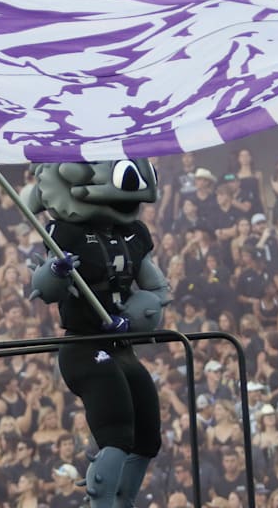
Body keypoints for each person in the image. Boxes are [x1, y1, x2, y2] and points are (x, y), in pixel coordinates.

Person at [27, 160, 171, 508]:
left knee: (147, 435)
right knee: (117, 432)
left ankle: (124, 501)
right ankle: (100, 502)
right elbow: (46, 289)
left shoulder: (134, 235)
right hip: (84, 346)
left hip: (120, 346)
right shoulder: (65, 233)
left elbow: (158, 289)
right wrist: (57, 271)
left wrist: (135, 319)